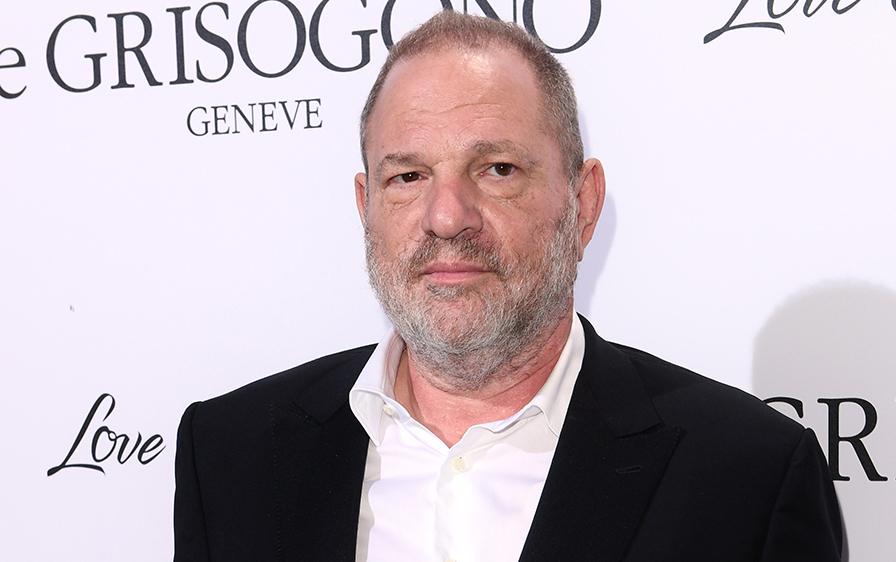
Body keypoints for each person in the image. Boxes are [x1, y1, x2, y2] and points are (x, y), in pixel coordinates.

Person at [174, 10, 843, 562]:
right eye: (407, 177)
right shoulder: (230, 454)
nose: (446, 217)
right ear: (366, 207)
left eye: (497, 169)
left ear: (583, 204)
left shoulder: (748, 478)